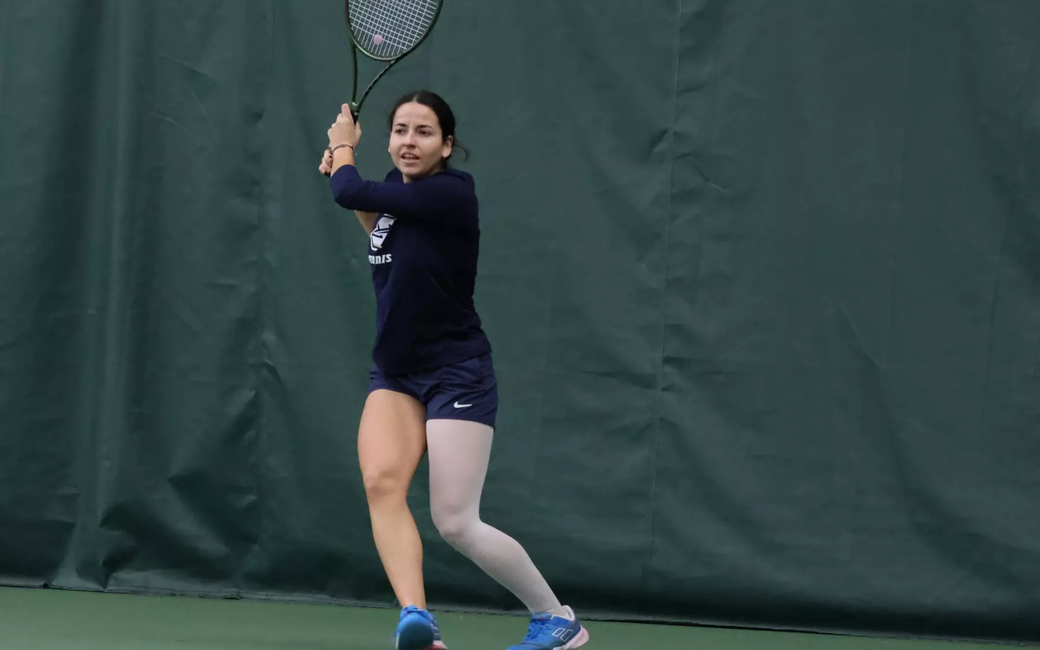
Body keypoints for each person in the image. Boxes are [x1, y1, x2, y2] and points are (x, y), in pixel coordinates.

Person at [317, 90, 590, 650]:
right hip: (395, 372)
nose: (408, 141)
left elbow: (347, 190)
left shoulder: (452, 193)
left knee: (456, 522)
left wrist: (343, 151)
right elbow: (378, 229)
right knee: (381, 484)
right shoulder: (396, 196)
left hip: (455, 371)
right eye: (400, 130)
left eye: (423, 132)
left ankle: (556, 618)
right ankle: (416, 619)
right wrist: (344, 168)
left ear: (446, 145)